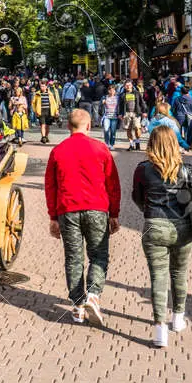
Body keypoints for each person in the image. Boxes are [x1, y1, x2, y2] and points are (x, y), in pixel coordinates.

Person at [45, 109, 121, 328]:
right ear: (89, 126)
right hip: (97, 208)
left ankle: (78, 305)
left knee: (73, 257)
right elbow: (112, 184)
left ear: (68, 126)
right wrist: (114, 213)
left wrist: (53, 216)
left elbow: (51, 186)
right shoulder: (101, 149)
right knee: (98, 255)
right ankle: (93, 295)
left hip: (68, 210)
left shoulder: (58, 151)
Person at [131, 127, 192, 348]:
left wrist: (148, 209)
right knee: (180, 272)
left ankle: (160, 328)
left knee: (157, 277)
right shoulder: (186, 170)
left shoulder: (142, 169)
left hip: (155, 224)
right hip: (182, 226)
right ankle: (178, 318)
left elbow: (137, 196)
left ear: (151, 143)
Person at [101, 83, 120, 149]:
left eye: (113, 90)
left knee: (113, 131)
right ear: (108, 90)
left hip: (114, 117)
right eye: (110, 90)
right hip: (106, 116)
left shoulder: (118, 97)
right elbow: (102, 103)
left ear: (115, 91)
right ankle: (107, 143)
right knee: (106, 130)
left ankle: (111, 144)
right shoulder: (105, 97)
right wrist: (102, 102)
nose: (112, 91)